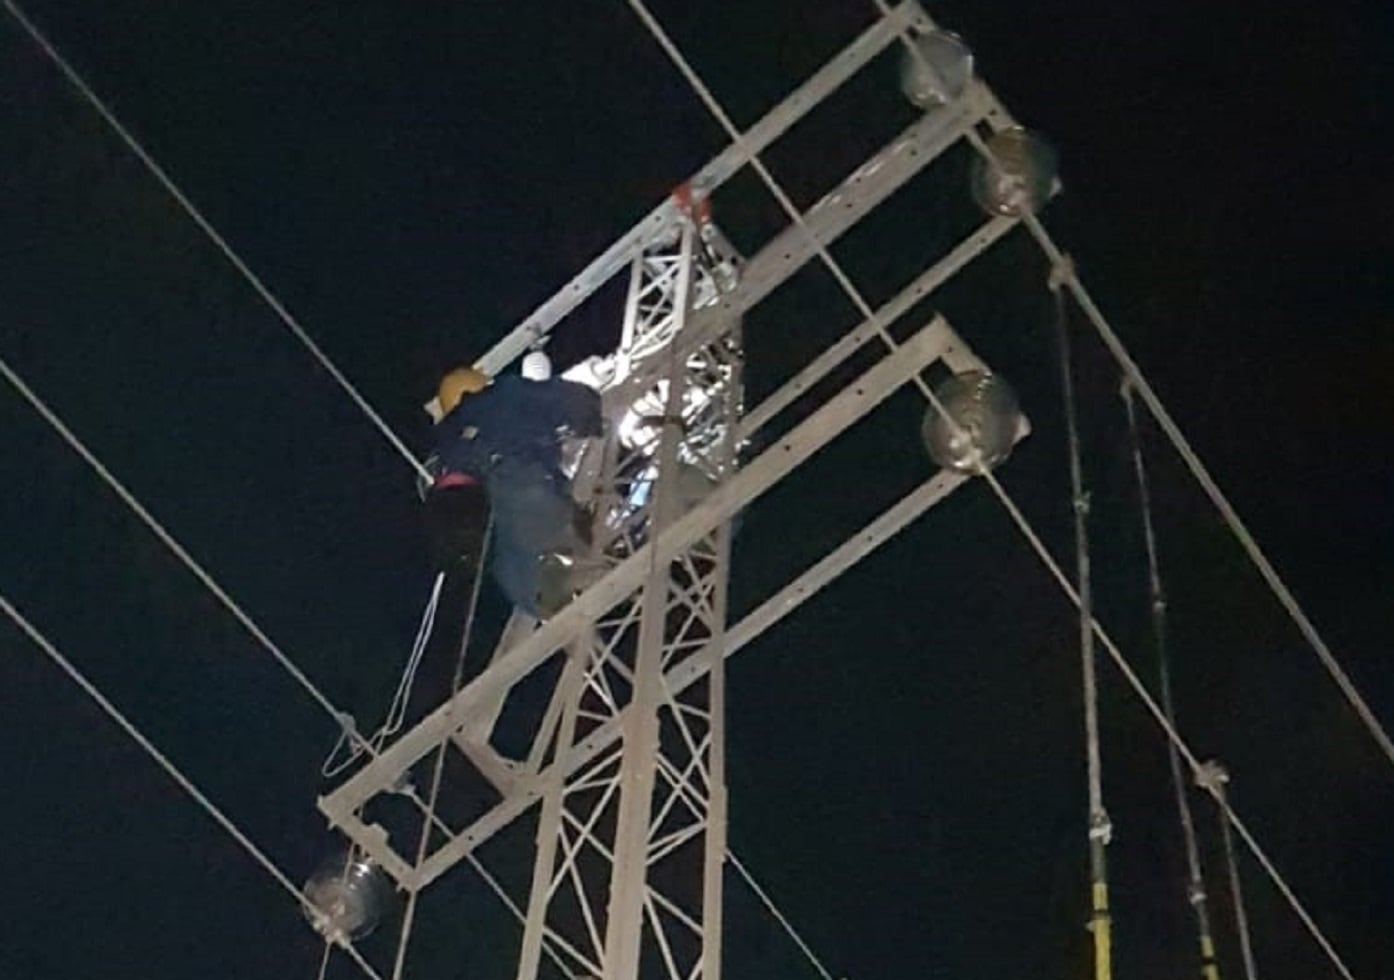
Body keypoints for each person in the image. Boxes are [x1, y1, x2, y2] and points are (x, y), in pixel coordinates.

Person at [424, 353, 604, 616]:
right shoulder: (503, 396)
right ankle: (579, 554)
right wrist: (593, 414)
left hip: (474, 513)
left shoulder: (448, 438)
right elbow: (560, 399)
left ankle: (543, 594)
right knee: (545, 519)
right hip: (519, 483)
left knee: (507, 557)